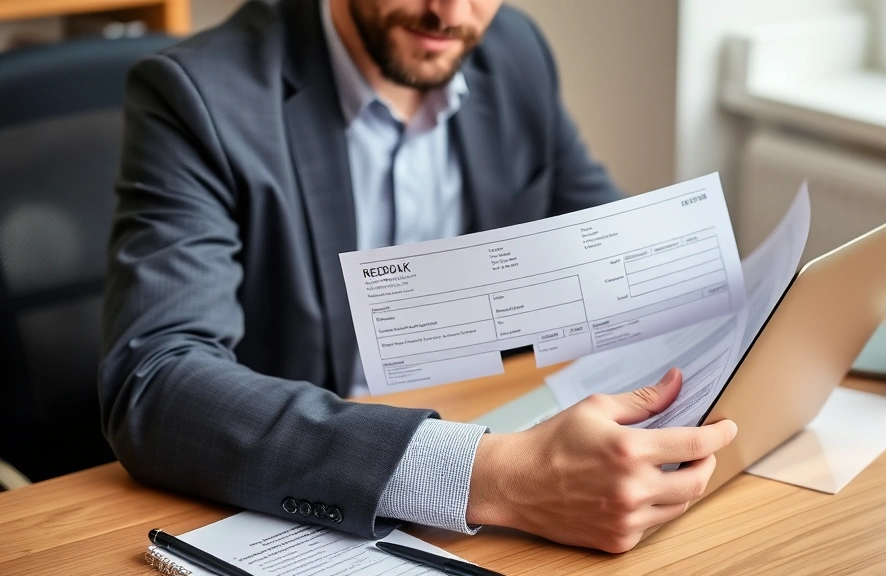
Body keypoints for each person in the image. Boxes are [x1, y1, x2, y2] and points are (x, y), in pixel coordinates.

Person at [101, 0, 737, 554]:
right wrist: (488, 474)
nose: (451, 15)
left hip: (495, 428)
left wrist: (746, 307)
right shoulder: (200, 94)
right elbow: (155, 382)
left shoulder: (511, 50)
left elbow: (609, 248)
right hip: (307, 492)